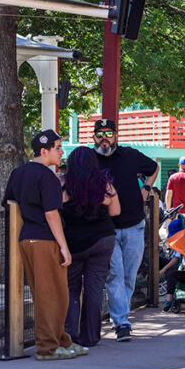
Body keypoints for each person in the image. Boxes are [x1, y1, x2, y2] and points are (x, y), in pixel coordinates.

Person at [2, 129, 87, 360]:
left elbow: (9, 204)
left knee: (50, 293)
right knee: (53, 294)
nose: (62, 152)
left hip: (26, 238)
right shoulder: (47, 177)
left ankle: (61, 341)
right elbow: (52, 214)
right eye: (58, 148)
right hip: (45, 239)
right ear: (44, 151)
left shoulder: (17, 173)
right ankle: (48, 347)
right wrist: (64, 247)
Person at [93, 118, 159, 342]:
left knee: (129, 276)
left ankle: (121, 315)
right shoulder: (90, 160)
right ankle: (121, 322)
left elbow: (153, 167)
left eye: (109, 133)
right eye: (100, 134)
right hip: (106, 228)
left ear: (115, 136)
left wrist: (147, 189)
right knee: (116, 275)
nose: (104, 138)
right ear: (94, 137)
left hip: (134, 225)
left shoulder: (130, 155)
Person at [62, 146, 120, 348]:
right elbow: (115, 211)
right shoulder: (105, 184)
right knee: (94, 288)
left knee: (71, 288)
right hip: (102, 240)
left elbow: (54, 210)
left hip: (74, 244)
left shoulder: (63, 183)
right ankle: (91, 336)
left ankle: (71, 334)